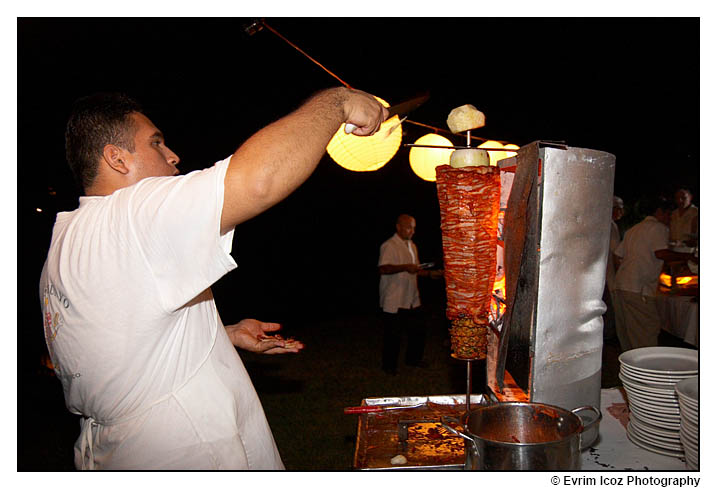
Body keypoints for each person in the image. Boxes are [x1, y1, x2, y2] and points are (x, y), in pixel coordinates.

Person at [39, 88, 388, 470]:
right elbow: (259, 181)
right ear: (116, 158)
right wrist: (337, 102)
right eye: (156, 142)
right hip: (182, 450)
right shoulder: (132, 213)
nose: (173, 155)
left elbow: (113, 350)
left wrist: (224, 334)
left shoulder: (67, 239)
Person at [613, 197, 694, 352]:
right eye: (668, 214)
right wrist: (688, 257)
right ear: (659, 212)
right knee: (646, 331)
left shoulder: (634, 229)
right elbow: (661, 253)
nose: (670, 218)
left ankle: (632, 368)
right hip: (637, 289)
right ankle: (646, 370)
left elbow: (618, 255)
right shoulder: (658, 228)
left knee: (628, 333)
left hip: (621, 285)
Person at [377, 214, 441, 374]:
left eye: (413, 228)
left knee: (418, 329)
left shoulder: (412, 246)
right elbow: (383, 268)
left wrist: (430, 274)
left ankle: (413, 359)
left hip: (412, 297)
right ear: (398, 227)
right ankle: (389, 366)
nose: (412, 231)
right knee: (393, 335)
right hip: (394, 298)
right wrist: (405, 267)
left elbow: (415, 270)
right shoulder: (389, 245)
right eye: (408, 227)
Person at [602, 196, 624, 339]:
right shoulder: (610, 225)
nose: (620, 212)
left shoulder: (604, 223)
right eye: (618, 208)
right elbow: (617, 252)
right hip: (608, 274)